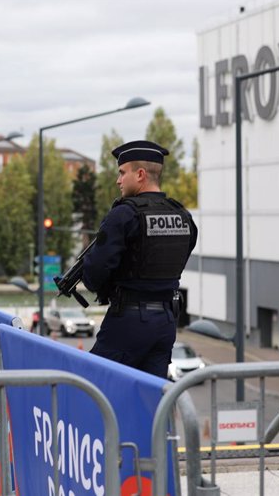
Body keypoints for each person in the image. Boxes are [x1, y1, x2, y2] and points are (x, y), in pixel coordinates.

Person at [82, 140, 198, 379]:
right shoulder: (182, 215)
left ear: (141, 174)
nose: (118, 180)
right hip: (166, 323)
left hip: (128, 322)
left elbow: (93, 275)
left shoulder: (123, 214)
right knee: (151, 399)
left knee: (92, 385)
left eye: (122, 173)